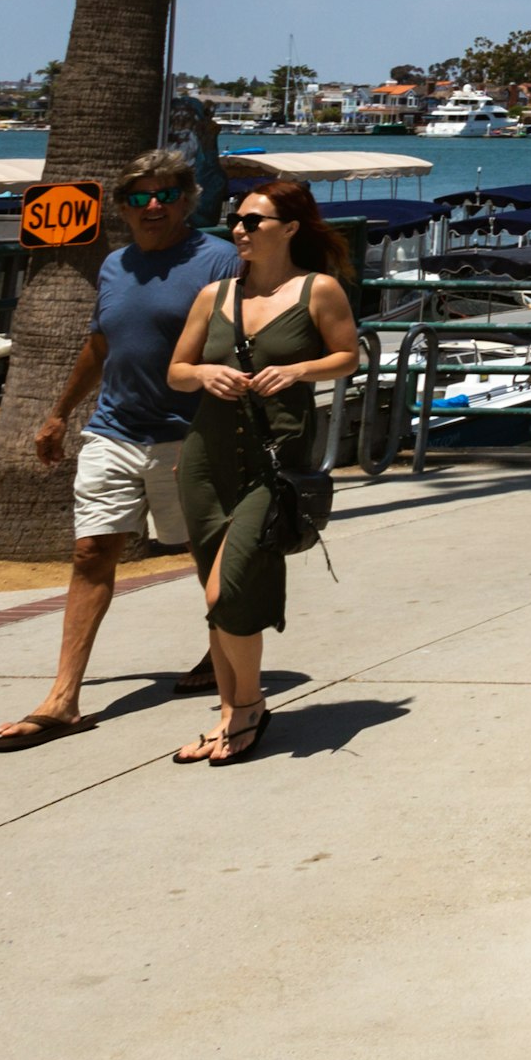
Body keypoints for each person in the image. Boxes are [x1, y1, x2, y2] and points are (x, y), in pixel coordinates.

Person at [0, 146, 242, 751]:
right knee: (89, 552)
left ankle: (225, 661)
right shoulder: (113, 265)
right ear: (122, 208)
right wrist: (57, 415)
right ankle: (63, 698)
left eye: (165, 194)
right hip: (113, 430)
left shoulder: (219, 260)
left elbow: (237, 349)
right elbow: (102, 346)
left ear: (188, 200)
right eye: (139, 196)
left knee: (206, 553)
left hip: (188, 433)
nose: (153, 205)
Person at [166, 178, 361, 766]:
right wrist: (204, 376)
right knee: (213, 592)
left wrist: (300, 370)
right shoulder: (215, 295)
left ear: (291, 228)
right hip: (207, 456)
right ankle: (228, 715)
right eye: (237, 221)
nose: (240, 230)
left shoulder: (318, 290)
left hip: (277, 458)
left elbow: (349, 355)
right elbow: (176, 369)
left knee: (233, 584)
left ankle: (249, 707)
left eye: (254, 221)